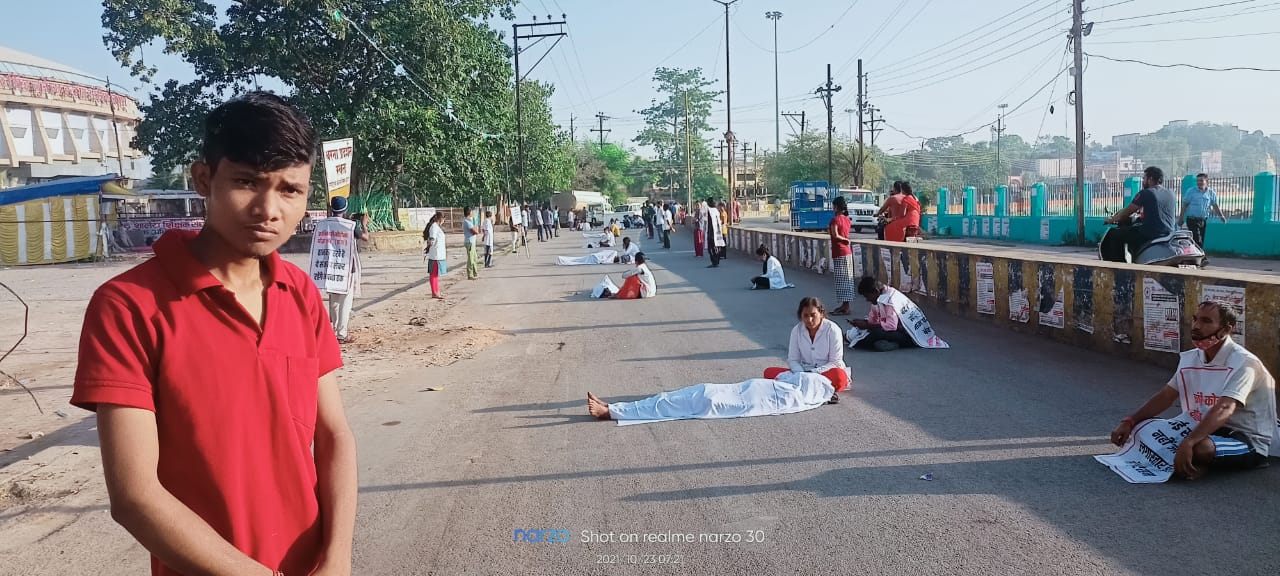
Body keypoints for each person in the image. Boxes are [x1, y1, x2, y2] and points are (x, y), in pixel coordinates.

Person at [71, 92, 357, 576]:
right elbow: (135, 495)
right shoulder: (129, 307)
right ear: (203, 178)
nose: (268, 209)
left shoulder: (300, 293)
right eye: (247, 182)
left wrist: (337, 557)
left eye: (290, 189)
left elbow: (334, 436)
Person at [1108, 301, 1276, 480]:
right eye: (1196, 319)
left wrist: (1190, 441)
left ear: (1226, 329)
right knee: (1143, 427)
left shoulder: (1244, 363)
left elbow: (1225, 408)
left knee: (1199, 448)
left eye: (1206, 321)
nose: (1196, 326)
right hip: (1204, 428)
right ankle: (1195, 459)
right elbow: (1166, 395)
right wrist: (1130, 420)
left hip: (1244, 437)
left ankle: (1210, 460)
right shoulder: (1191, 358)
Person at [586, 370, 836, 423]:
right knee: (667, 397)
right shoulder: (795, 387)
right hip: (723, 390)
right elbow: (778, 374)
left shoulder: (797, 398)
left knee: (669, 405)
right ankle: (615, 406)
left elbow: (777, 376)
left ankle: (611, 412)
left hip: (722, 401)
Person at [762, 297, 849, 403]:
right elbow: (793, 359)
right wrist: (801, 374)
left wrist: (813, 373)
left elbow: (835, 362)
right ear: (800, 316)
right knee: (768, 372)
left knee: (839, 377)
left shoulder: (833, 330)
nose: (809, 320)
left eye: (813, 315)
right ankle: (817, 389)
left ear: (821, 313)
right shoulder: (796, 331)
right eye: (805, 316)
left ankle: (806, 388)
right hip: (802, 373)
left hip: (825, 373)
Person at [845, 276, 949, 352]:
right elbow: (873, 319)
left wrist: (867, 325)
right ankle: (882, 343)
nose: (867, 300)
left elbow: (891, 326)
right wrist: (863, 323)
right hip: (894, 331)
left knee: (876, 334)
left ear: (875, 291)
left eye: (867, 296)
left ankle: (893, 343)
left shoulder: (890, 299)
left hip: (908, 335)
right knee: (860, 332)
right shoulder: (878, 298)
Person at [1104, 166, 1179, 261]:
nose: (1143, 181)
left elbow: (1126, 212)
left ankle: (1119, 267)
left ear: (1150, 179)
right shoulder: (1170, 193)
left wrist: (1111, 219)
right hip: (1169, 233)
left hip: (1150, 233)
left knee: (1115, 235)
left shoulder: (1146, 193)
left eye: (1144, 178)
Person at [323, 196, 366, 343]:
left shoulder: (325, 225)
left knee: (334, 301)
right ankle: (342, 333)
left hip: (331, 266)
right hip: (347, 266)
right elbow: (365, 237)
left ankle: (334, 331)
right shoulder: (350, 226)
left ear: (331, 208)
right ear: (345, 209)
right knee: (345, 302)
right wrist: (364, 224)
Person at [1178, 172, 1226, 266]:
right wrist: (1181, 218)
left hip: (1203, 220)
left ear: (1206, 181)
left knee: (1200, 241)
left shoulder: (1211, 193)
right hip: (1192, 219)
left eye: (1201, 180)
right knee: (1197, 239)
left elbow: (1215, 205)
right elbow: (1185, 205)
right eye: (1198, 181)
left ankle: (1193, 260)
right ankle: (1203, 259)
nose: (1199, 183)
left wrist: (1221, 216)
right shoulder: (1191, 191)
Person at [828, 196, 855, 315]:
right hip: (847, 252)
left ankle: (846, 306)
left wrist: (844, 240)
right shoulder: (847, 219)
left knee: (841, 280)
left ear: (836, 207)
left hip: (839, 251)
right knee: (847, 279)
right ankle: (845, 304)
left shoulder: (835, 220)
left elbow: (835, 235)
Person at [423, 212, 447, 299]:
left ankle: (437, 291)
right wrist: (429, 246)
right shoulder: (434, 227)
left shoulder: (437, 227)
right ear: (440, 219)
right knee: (433, 274)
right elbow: (432, 239)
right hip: (436, 254)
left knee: (436, 274)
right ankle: (434, 292)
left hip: (439, 254)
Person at [461, 207, 480, 280]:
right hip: (469, 242)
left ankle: (475, 273)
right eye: (472, 212)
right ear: (469, 213)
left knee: (475, 258)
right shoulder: (467, 221)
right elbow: (475, 232)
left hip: (472, 242)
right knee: (471, 259)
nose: (473, 213)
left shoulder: (470, 221)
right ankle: (470, 274)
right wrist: (475, 227)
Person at [706, 201, 726, 268]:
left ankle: (714, 262)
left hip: (712, 233)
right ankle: (716, 261)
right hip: (718, 232)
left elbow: (709, 224)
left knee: (711, 249)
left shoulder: (710, 212)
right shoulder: (717, 212)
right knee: (716, 248)